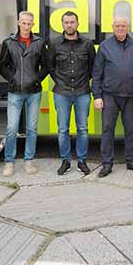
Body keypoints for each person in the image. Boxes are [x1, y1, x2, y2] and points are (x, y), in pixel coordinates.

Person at [92, 15, 133, 178]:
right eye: (118, 26)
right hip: (109, 95)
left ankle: (132, 161)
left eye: (123, 26)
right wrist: (97, 96)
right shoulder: (104, 46)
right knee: (107, 130)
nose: (120, 29)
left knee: (130, 130)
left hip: (130, 96)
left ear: (128, 27)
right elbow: (97, 73)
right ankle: (107, 164)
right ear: (113, 27)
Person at [46, 11, 96, 176]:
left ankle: (82, 161)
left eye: (72, 22)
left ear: (77, 23)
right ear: (62, 24)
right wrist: (60, 81)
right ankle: (65, 161)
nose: (69, 25)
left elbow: (92, 68)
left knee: (82, 128)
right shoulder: (54, 44)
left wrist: (83, 81)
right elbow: (50, 67)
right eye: (66, 22)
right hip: (62, 93)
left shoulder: (87, 44)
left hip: (82, 92)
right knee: (63, 129)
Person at [0, 11, 48, 176]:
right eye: (24, 22)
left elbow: (46, 66)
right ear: (18, 22)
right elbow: (2, 66)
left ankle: (29, 160)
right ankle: (9, 162)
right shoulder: (9, 43)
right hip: (15, 92)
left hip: (34, 92)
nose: (27, 26)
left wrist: (37, 79)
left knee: (32, 128)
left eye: (30, 23)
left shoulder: (39, 43)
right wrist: (12, 79)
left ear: (33, 24)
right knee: (12, 127)